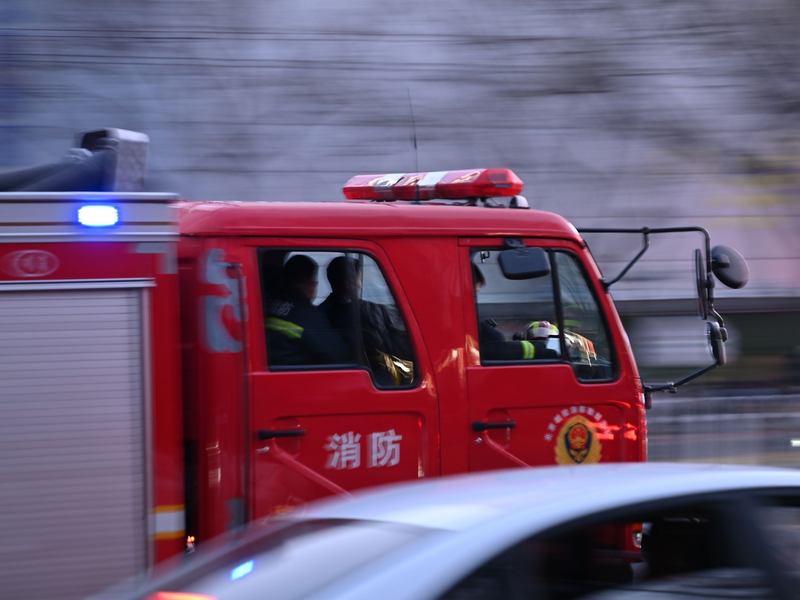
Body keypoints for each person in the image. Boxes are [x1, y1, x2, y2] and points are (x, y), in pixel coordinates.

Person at [321, 256, 414, 385]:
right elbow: (390, 343)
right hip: (369, 375)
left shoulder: (320, 312)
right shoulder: (366, 311)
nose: (360, 284)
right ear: (350, 282)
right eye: (359, 279)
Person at [265, 254, 351, 366]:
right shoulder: (307, 315)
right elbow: (338, 356)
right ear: (312, 285)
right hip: (293, 372)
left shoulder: (270, 305)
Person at [473, 263, 545, 361]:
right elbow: (494, 349)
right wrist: (540, 350)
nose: (475, 298)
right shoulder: (464, 320)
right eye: (474, 293)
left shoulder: (469, 318)